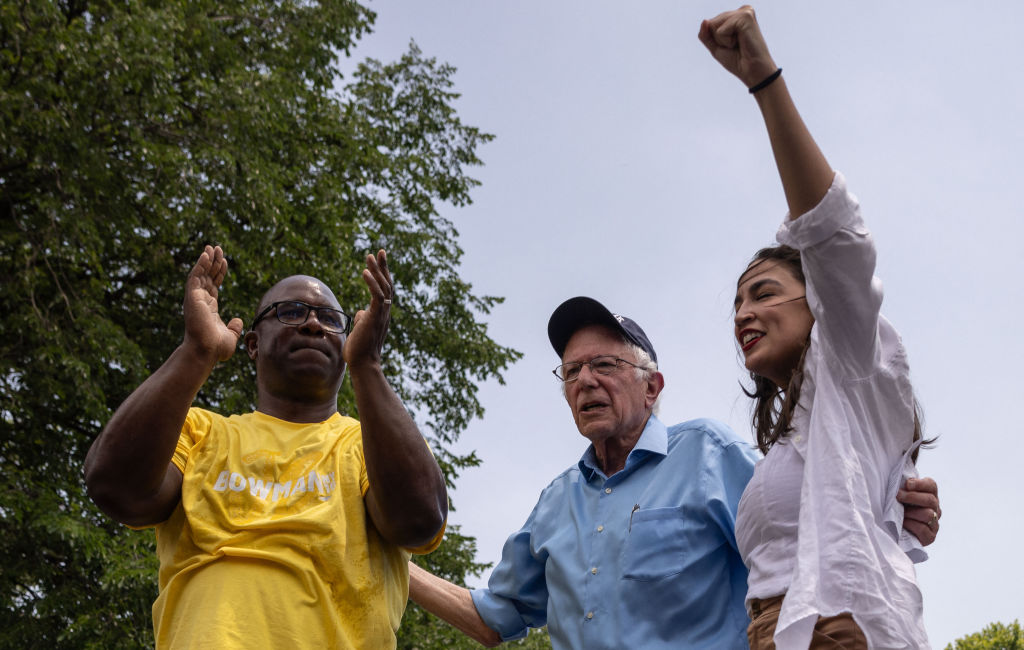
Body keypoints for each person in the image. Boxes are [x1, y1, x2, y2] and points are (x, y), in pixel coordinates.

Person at [407, 298, 940, 649]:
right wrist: (390, 564)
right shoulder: (554, 505)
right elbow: (493, 617)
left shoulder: (709, 454)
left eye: (605, 366)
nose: (585, 381)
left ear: (653, 387)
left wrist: (891, 508)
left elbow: (808, 535)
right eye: (571, 372)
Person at [701, 6, 936, 648]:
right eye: (736, 306)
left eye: (764, 293)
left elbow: (835, 237)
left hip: (836, 628)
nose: (743, 314)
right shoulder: (798, 437)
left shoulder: (852, 359)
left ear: (820, 304)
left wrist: (763, 80)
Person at [84, 245, 448, 649]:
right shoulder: (198, 431)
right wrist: (196, 352)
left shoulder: (371, 446)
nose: (313, 324)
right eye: (291, 312)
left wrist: (369, 366)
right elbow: (114, 487)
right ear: (253, 344)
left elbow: (418, 522)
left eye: (330, 320)